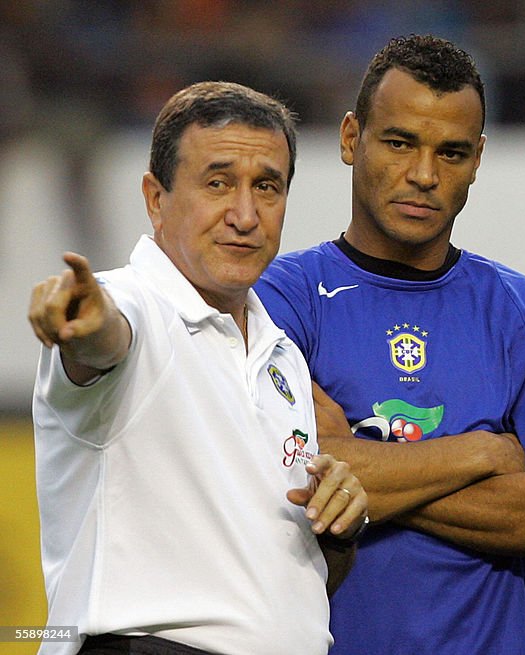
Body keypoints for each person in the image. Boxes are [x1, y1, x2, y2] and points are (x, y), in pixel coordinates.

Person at [255, 35, 525, 654]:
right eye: (399, 143)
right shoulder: (275, 301)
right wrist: (482, 452)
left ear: (478, 159)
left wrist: (363, 469)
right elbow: (284, 470)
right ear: (351, 138)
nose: (424, 175)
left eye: (451, 152)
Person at [28, 81, 368, 655]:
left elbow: (274, 588)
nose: (245, 214)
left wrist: (339, 526)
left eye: (267, 187)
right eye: (217, 183)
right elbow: (108, 339)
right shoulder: (131, 305)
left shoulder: (278, 351)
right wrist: (85, 328)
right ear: (155, 198)